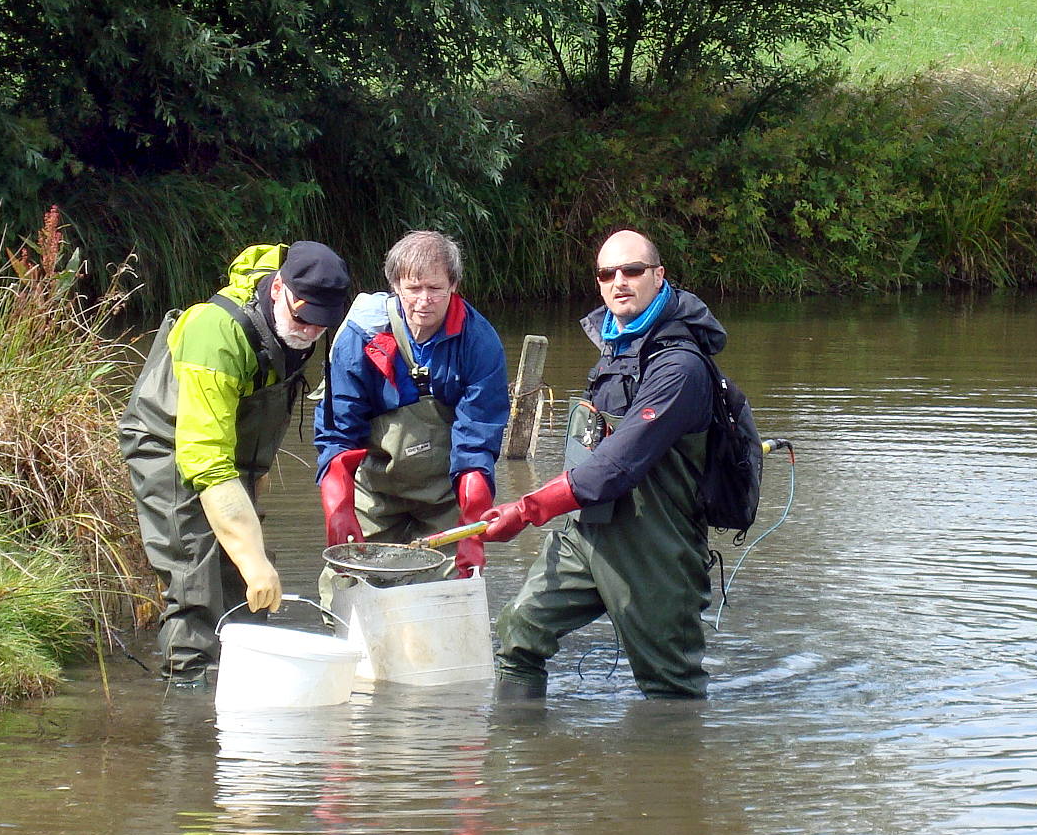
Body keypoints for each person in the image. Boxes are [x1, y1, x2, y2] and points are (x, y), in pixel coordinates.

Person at [480, 229, 726, 700]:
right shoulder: (615, 346)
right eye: (606, 273)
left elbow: (616, 464)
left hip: (655, 547)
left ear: (659, 275)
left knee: (670, 689)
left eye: (632, 270)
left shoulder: (680, 367)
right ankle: (514, 744)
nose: (619, 281)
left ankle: (676, 748)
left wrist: (527, 509)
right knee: (517, 635)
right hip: (587, 530)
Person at [118, 241, 351, 685]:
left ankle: (243, 685)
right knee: (196, 575)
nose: (309, 332)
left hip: (232, 455)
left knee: (247, 590)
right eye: (303, 319)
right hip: (171, 446)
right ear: (278, 288)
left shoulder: (295, 325)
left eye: (322, 324)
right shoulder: (217, 333)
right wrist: (253, 560)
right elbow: (206, 459)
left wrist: (251, 541)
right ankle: (187, 697)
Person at [314, 230, 510, 610]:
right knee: (345, 589)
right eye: (413, 288)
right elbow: (339, 436)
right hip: (374, 486)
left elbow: (477, 444)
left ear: (453, 285)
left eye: (435, 288)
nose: (424, 301)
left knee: (449, 598)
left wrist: (472, 530)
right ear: (395, 287)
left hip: (446, 491)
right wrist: (339, 512)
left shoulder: (480, 342)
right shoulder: (360, 336)